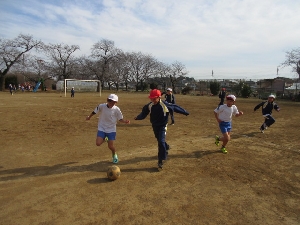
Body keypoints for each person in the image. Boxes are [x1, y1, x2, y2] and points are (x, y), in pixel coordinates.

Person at [134, 89, 189, 170]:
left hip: (163, 125)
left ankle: (161, 160)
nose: (152, 100)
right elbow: (144, 112)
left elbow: (175, 107)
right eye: (151, 98)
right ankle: (166, 146)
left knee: (161, 141)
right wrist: (138, 117)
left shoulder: (164, 105)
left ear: (159, 97)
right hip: (154, 125)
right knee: (159, 139)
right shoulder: (150, 105)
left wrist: (185, 112)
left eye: (154, 98)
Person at [86, 94, 130, 164]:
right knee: (98, 143)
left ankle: (114, 154)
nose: (111, 103)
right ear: (107, 100)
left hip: (111, 129)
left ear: (116, 102)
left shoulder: (116, 109)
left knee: (110, 146)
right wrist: (89, 117)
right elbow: (94, 111)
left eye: (113, 102)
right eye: (110, 101)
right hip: (102, 127)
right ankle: (105, 139)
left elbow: (120, 119)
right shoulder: (102, 106)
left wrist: (125, 121)